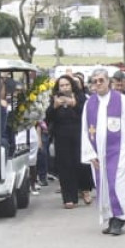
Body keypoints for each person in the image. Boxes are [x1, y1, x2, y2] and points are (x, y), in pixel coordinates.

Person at [81, 68, 125, 235]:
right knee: (105, 187)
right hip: (99, 154)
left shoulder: (121, 100)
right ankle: (112, 219)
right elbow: (85, 131)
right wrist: (90, 154)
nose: (98, 84)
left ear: (108, 81)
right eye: (95, 81)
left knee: (120, 186)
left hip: (121, 152)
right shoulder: (89, 104)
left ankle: (120, 219)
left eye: (101, 80)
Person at [45, 74, 90, 209]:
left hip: (78, 134)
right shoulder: (54, 98)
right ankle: (68, 198)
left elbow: (86, 114)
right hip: (61, 135)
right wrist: (54, 107)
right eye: (62, 85)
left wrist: (74, 104)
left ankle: (85, 189)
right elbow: (48, 118)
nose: (64, 88)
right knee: (65, 166)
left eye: (67, 85)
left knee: (80, 164)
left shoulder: (80, 97)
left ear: (72, 86)